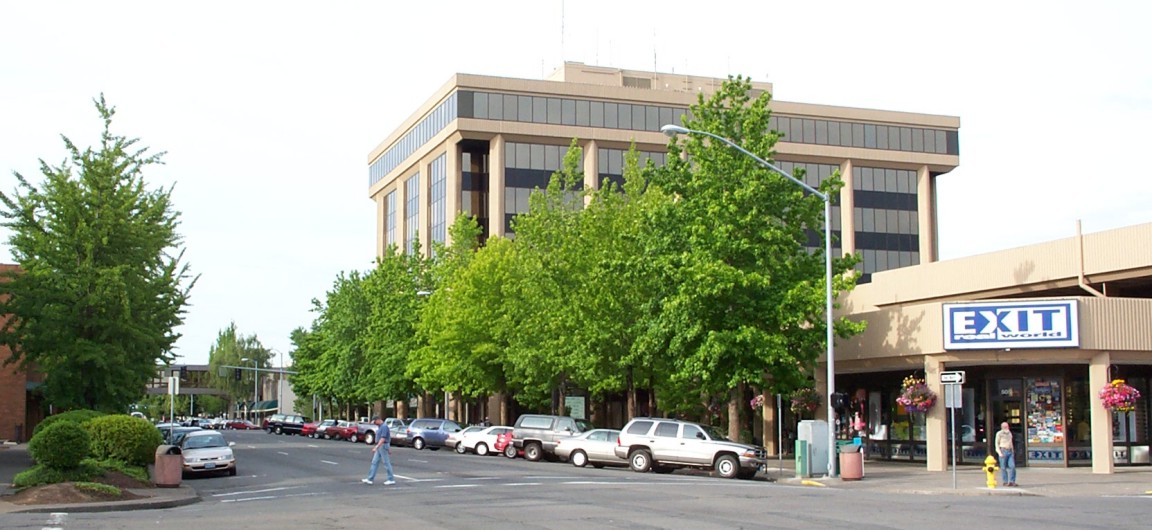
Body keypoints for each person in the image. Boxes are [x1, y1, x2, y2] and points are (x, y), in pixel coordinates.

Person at [361, 416, 395, 486]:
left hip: (382, 446)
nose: (375, 424)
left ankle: (391, 479)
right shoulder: (381, 426)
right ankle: (370, 479)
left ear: (378, 420)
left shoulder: (384, 427)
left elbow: (383, 438)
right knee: (374, 462)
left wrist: (376, 447)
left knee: (386, 463)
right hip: (381, 446)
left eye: (375, 422)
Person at [995, 421, 1017, 487]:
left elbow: (1011, 442)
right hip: (1003, 451)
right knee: (1003, 467)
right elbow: (997, 443)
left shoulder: (1009, 433)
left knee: (1012, 466)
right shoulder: (999, 434)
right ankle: (1005, 481)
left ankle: (1012, 481)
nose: (1006, 428)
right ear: (1002, 427)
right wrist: (999, 453)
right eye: (1005, 427)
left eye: (1007, 426)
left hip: (1010, 451)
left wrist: (1012, 451)